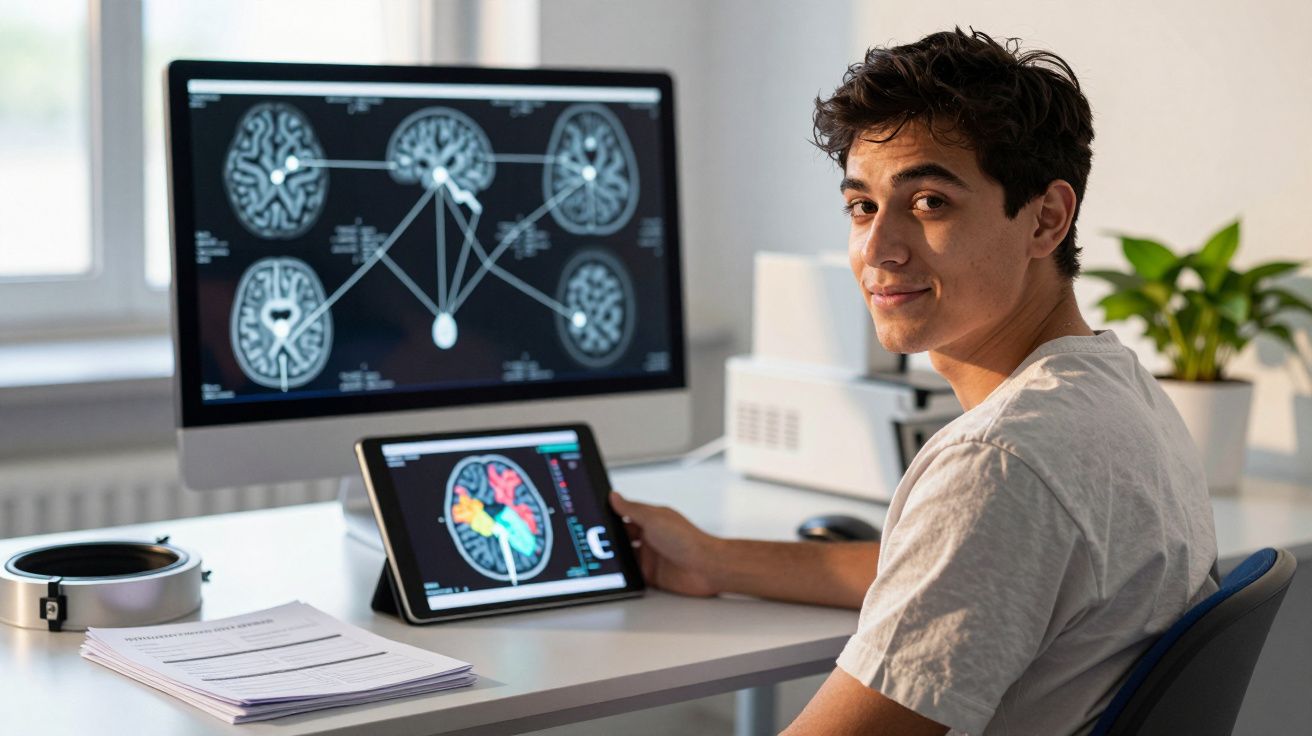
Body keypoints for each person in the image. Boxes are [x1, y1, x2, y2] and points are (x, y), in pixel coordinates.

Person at [609, 27, 1219, 735]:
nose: (877, 249)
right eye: (862, 206)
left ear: (1046, 218)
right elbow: (962, 571)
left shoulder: (1002, 463)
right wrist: (717, 560)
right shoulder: (1116, 390)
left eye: (929, 202)